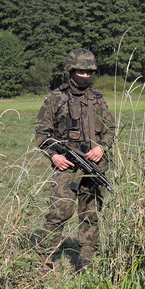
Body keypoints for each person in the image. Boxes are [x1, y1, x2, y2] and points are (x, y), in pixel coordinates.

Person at [35, 49, 116, 271]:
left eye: (89, 72)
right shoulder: (55, 98)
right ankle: (45, 257)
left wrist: (102, 147)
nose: (85, 76)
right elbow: (42, 134)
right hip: (67, 165)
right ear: (71, 70)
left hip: (93, 166)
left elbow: (110, 131)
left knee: (90, 214)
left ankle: (85, 260)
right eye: (81, 71)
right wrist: (55, 155)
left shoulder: (97, 99)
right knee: (59, 212)